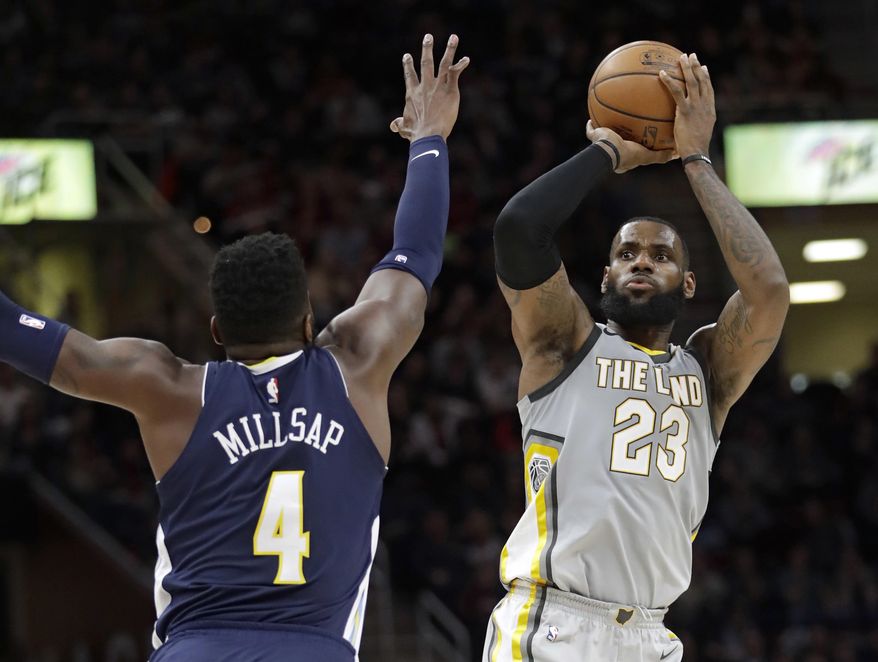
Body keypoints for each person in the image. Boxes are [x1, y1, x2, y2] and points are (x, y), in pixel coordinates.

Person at [0, 34, 468, 662]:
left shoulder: (167, 386)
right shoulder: (359, 362)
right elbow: (416, 256)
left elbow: (35, 341)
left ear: (216, 329)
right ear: (309, 320)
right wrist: (428, 140)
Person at [483, 53, 789, 661]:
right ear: (605, 275)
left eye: (661, 254)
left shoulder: (707, 370)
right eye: (627, 253)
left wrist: (696, 161)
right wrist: (609, 154)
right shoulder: (565, 343)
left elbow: (770, 292)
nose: (642, 261)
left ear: (690, 283)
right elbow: (519, 229)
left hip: (652, 635)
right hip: (553, 622)